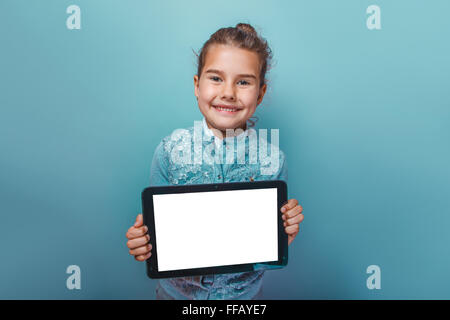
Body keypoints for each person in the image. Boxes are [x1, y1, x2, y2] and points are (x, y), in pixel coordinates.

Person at [125, 22, 304, 300]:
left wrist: (280, 237)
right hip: (176, 296)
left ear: (261, 93)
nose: (229, 92)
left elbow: (263, 251)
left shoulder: (273, 161)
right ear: (197, 86)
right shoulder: (169, 151)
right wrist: (145, 244)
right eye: (216, 78)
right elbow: (155, 236)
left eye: (243, 81)